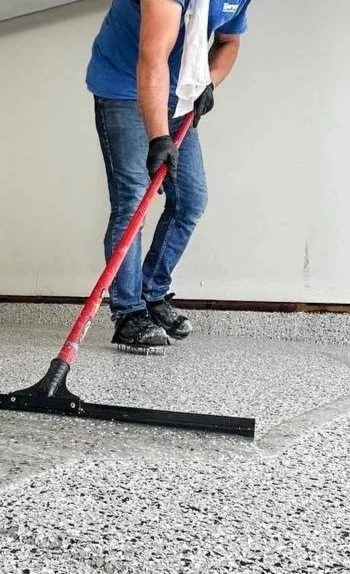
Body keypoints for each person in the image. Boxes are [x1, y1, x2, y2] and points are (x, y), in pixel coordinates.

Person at [86, 0, 252, 352]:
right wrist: (159, 136)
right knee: (132, 199)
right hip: (126, 87)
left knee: (190, 199)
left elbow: (229, 42)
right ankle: (129, 313)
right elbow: (152, 54)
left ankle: (151, 293)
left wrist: (209, 80)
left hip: (178, 93)